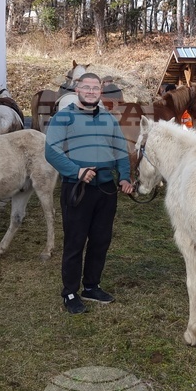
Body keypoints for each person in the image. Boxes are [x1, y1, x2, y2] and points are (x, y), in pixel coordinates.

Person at [44, 72, 134, 315]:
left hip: (105, 190)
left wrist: (124, 177)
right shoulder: (63, 118)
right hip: (78, 189)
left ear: (100, 92)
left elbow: (120, 151)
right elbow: (51, 152)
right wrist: (77, 171)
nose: (91, 92)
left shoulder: (109, 119)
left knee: (100, 240)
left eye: (95, 88)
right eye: (87, 87)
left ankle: (91, 286)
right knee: (75, 242)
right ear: (77, 89)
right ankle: (70, 292)